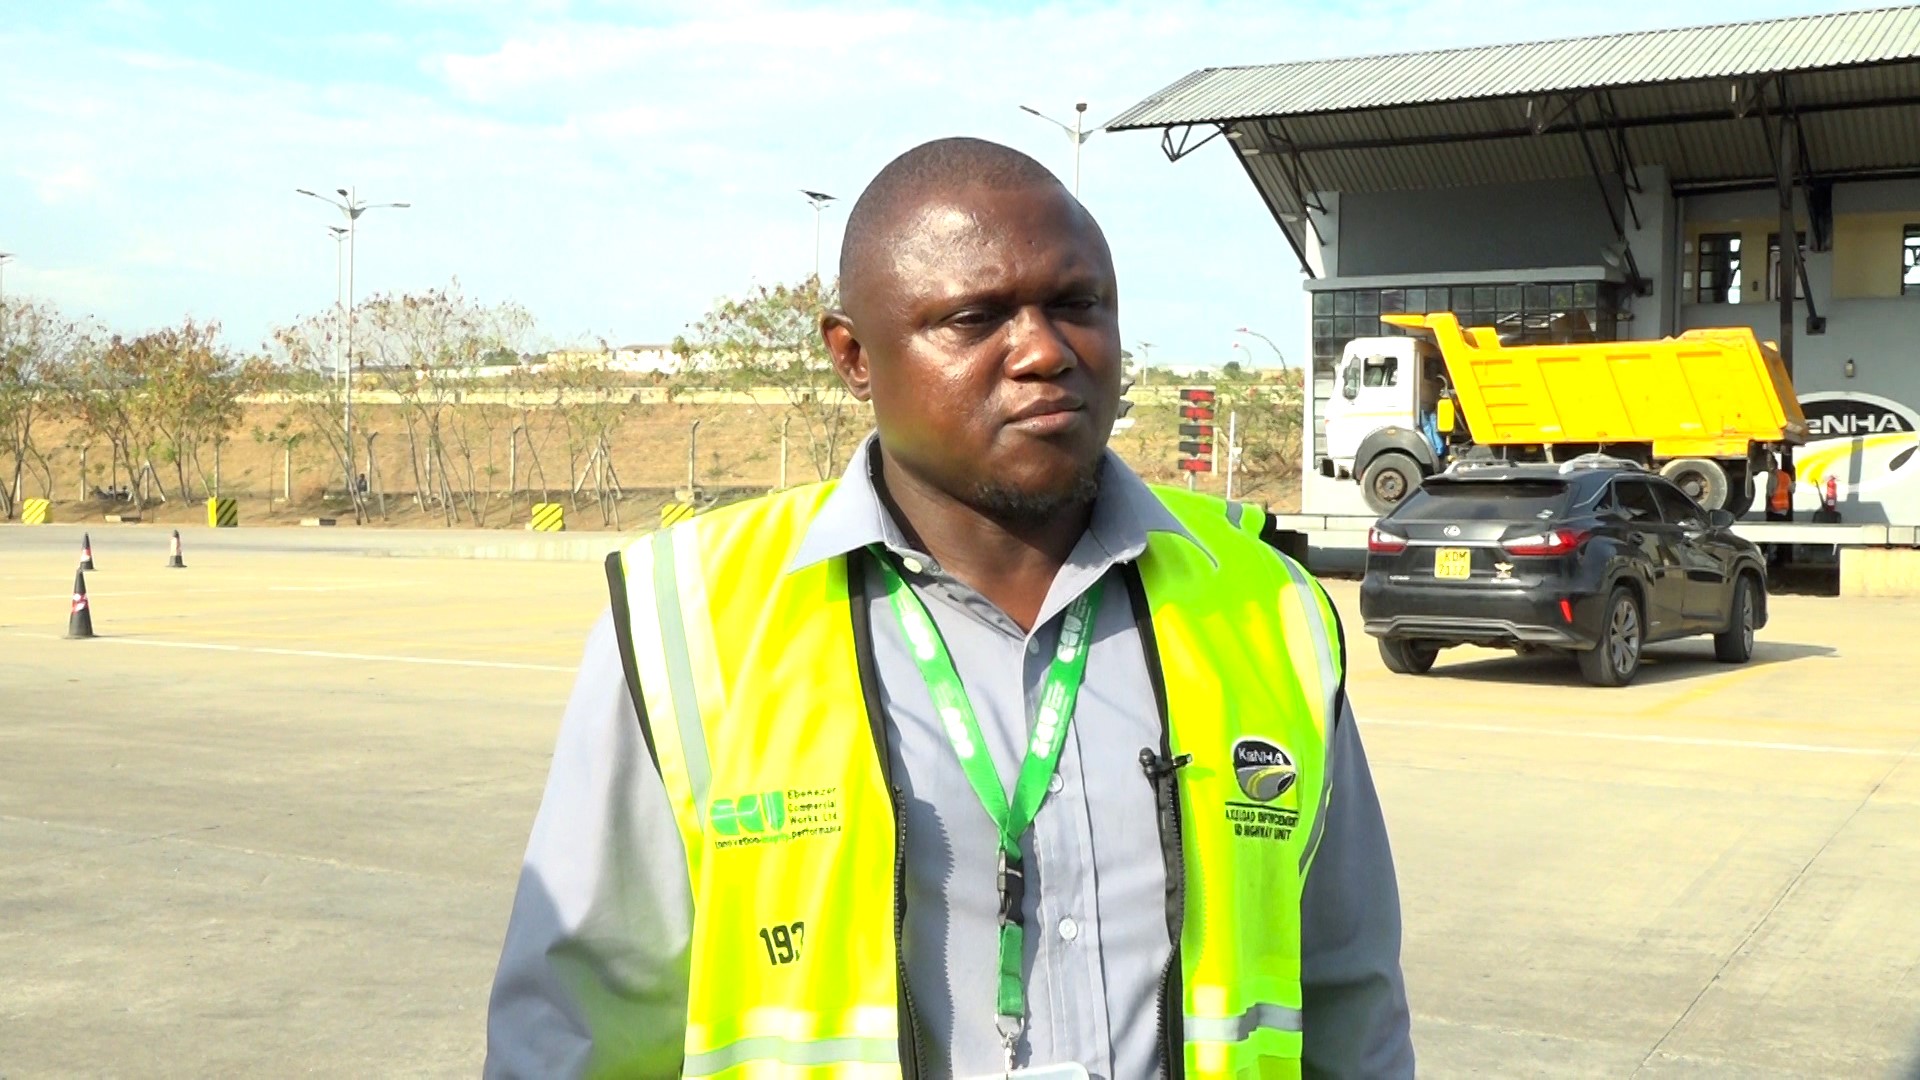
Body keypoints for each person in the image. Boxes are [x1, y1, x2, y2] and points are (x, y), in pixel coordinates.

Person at [485, 137, 1413, 1079]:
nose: (1045, 351)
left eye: (1078, 305)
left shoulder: (1265, 604)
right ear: (853, 355)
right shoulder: (690, 618)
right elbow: (575, 1031)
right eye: (975, 318)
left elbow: (1353, 1002)